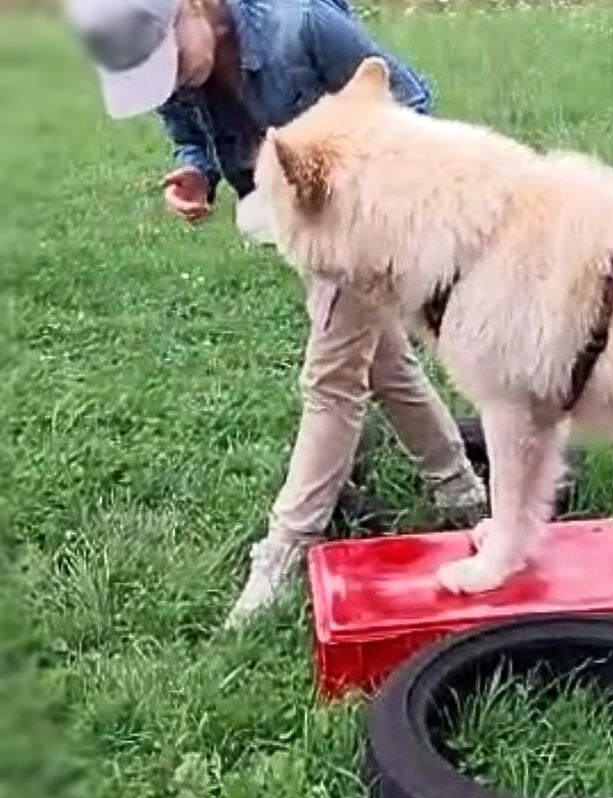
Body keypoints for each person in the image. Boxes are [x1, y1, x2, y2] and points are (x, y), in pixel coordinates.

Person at [64, 0, 487, 628]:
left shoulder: (303, 26)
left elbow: (414, 101)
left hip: (363, 223)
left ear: (189, 8)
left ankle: (282, 554)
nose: (174, 81)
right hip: (304, 230)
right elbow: (191, 132)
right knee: (382, 364)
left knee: (331, 379)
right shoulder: (177, 71)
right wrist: (195, 173)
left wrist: (337, 177)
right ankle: (461, 492)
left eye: (173, 61)